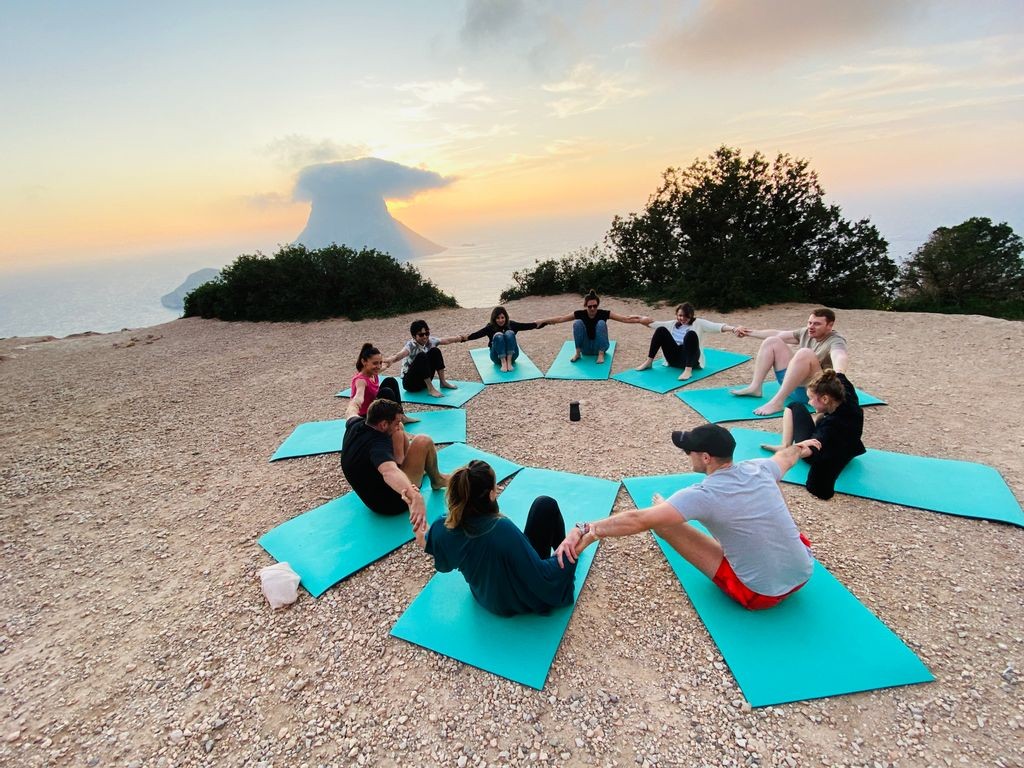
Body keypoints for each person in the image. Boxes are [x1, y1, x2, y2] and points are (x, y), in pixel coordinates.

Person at [555, 424, 813, 611]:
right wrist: (802, 447)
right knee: (768, 490)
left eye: (689, 451)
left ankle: (665, 510)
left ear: (706, 458)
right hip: (804, 571)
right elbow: (786, 456)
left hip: (760, 594)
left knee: (664, 525)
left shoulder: (703, 494)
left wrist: (586, 528)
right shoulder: (759, 467)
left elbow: (638, 520)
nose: (686, 455)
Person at [412, 460, 576, 616]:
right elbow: (543, 578)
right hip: (516, 600)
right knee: (545, 505)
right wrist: (577, 536)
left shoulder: (445, 527)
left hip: (485, 597)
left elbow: (424, 541)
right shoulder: (502, 529)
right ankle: (563, 549)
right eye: (495, 486)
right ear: (491, 494)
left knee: (541, 510)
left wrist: (415, 503)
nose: (497, 488)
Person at [760, 369, 866, 500]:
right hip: (851, 449)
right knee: (820, 419)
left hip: (822, 453)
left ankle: (785, 446)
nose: (809, 402)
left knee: (793, 406)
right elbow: (839, 371)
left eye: (811, 398)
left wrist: (791, 452)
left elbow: (810, 449)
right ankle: (787, 445)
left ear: (825, 399)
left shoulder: (830, 427)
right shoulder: (846, 395)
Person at [341, 397, 447, 521]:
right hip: (393, 503)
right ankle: (437, 480)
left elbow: (351, 409)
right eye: (395, 423)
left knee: (399, 429)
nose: (398, 426)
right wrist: (414, 496)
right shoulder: (378, 445)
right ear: (383, 424)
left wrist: (358, 397)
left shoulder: (355, 424)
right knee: (423, 440)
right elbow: (389, 471)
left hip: (371, 497)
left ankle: (413, 468)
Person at [730, 308, 849, 416]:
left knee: (805, 353)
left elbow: (839, 355)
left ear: (830, 325)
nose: (811, 327)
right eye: (809, 323)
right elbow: (778, 334)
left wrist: (839, 373)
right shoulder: (806, 332)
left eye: (817, 324)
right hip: (792, 386)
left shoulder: (836, 340)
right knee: (772, 341)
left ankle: (777, 402)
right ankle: (755, 387)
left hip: (812, 393)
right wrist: (748, 332)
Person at [636, 302, 741, 380]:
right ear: (677, 315)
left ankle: (688, 371)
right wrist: (639, 319)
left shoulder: (699, 323)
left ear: (692, 315)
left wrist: (733, 329)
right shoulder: (672, 324)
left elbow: (717, 326)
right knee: (661, 330)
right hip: (673, 359)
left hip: (690, 360)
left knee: (690, 334)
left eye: (686, 316)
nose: (683, 318)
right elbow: (654, 324)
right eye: (680, 315)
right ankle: (649, 362)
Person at [542, 290, 652, 364]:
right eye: (590, 306)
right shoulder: (580, 313)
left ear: (597, 305)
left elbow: (624, 319)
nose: (592, 308)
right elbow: (561, 319)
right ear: (586, 306)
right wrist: (543, 321)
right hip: (585, 349)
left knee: (601, 323)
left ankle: (601, 354)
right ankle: (577, 353)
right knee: (577, 323)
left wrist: (640, 320)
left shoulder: (604, 313)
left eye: (595, 306)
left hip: (600, 346)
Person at [385, 319, 465, 397]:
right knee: (422, 356)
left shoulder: (430, 341)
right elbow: (400, 355)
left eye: (427, 333)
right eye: (421, 335)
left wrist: (463, 338)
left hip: (423, 380)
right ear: (414, 336)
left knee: (435, 351)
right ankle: (431, 389)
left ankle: (443, 382)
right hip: (410, 384)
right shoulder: (411, 345)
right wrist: (391, 360)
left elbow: (446, 340)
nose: (425, 337)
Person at [349, 342, 419, 423]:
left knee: (391, 381)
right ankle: (395, 421)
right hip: (365, 418)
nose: (379, 366)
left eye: (380, 363)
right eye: (375, 363)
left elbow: (385, 366)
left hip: (373, 409)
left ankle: (401, 416)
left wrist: (391, 361)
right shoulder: (361, 380)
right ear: (364, 362)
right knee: (386, 392)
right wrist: (353, 407)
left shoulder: (372, 372)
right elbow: (359, 396)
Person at [465, 306, 545, 372]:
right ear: (494, 319)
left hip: (513, 356)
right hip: (496, 358)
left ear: (506, 317)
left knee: (509, 333)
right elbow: (477, 334)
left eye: (502, 317)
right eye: (498, 318)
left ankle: (509, 362)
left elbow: (527, 326)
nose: (500, 320)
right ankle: (503, 362)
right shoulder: (490, 327)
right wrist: (462, 338)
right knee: (498, 335)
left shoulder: (511, 324)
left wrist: (544, 322)